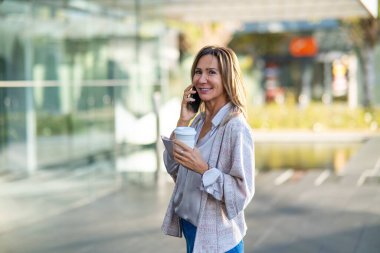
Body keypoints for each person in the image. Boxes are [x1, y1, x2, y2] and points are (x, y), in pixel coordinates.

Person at [161, 45, 255, 253]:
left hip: (219, 241)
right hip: (193, 231)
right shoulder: (197, 121)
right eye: (198, 71)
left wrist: (204, 169)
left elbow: (242, 193)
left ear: (227, 78)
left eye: (211, 72)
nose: (201, 79)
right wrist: (183, 120)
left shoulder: (235, 127)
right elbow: (174, 167)